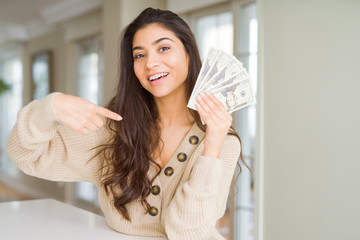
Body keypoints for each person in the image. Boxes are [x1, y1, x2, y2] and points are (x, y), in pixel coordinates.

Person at [6, 7, 246, 240]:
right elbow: (25, 155)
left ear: (188, 54)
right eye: (139, 55)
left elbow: (188, 234)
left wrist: (212, 148)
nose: (150, 62)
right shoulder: (112, 131)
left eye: (163, 48)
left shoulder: (222, 142)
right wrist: (51, 107)